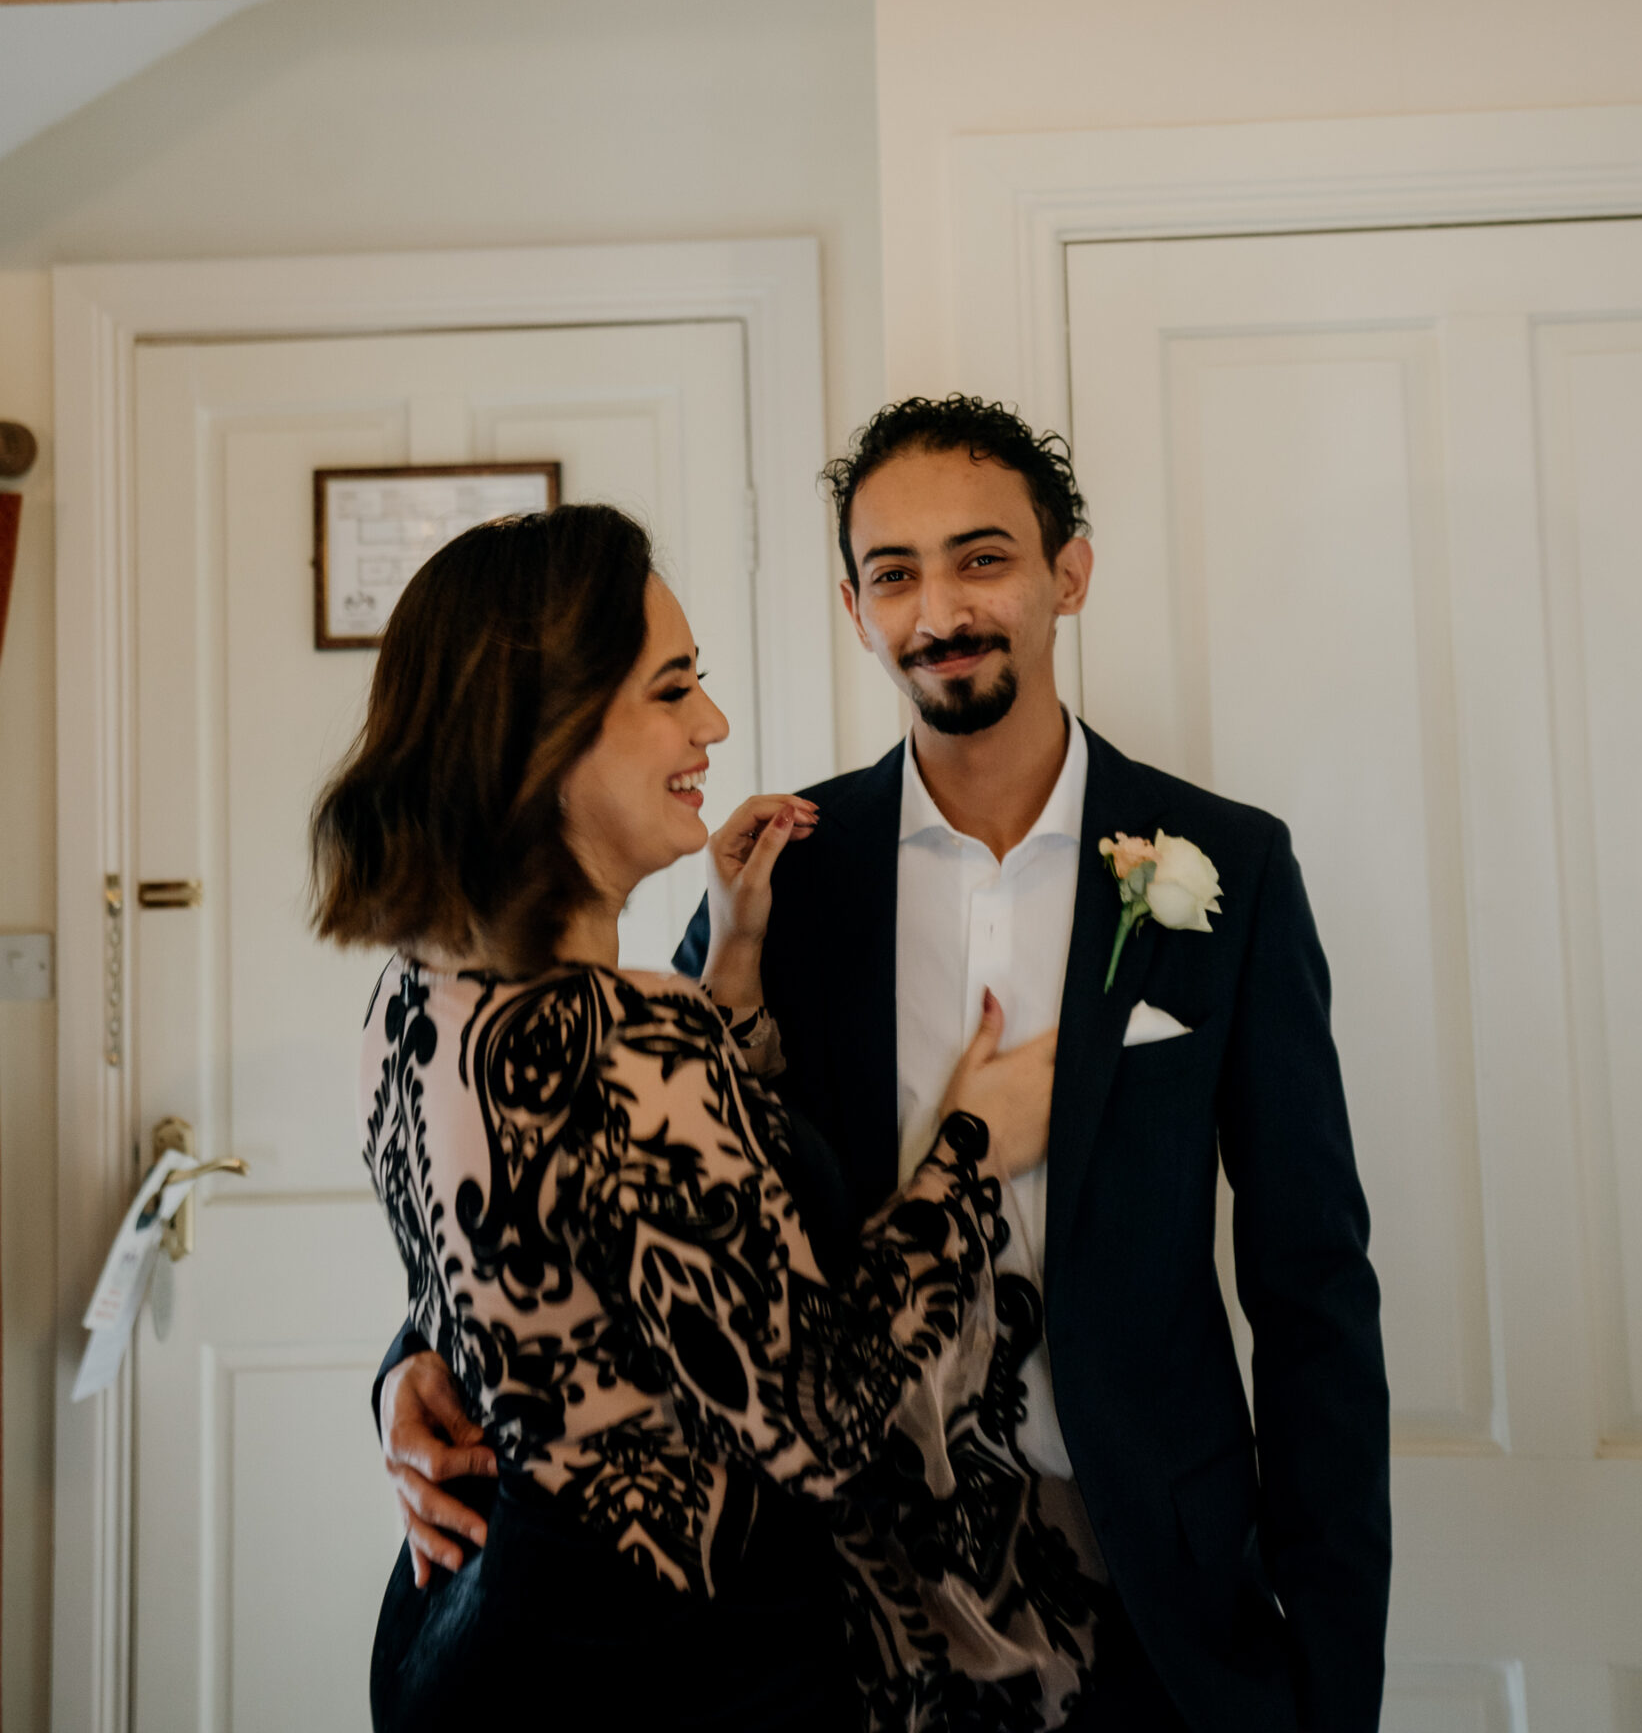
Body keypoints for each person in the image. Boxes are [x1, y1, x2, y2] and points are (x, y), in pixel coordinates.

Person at [380, 402, 1391, 1732]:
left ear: (1064, 573)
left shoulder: (1230, 867)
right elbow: (599, 1184)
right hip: (830, 1600)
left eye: (981, 560)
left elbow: (1309, 1280)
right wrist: (417, 1361)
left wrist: (1329, 1665)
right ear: (851, 605)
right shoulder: (774, 876)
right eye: (894, 573)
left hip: (1150, 1579)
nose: (938, 610)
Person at [317, 497, 1093, 1733]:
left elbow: (582, 1227)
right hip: (663, 1668)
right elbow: (825, 1419)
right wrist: (969, 1151)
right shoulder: (627, 1035)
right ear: (551, 732)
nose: (713, 725)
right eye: (672, 689)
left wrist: (731, 967)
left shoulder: (417, 993)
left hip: (470, 1635)